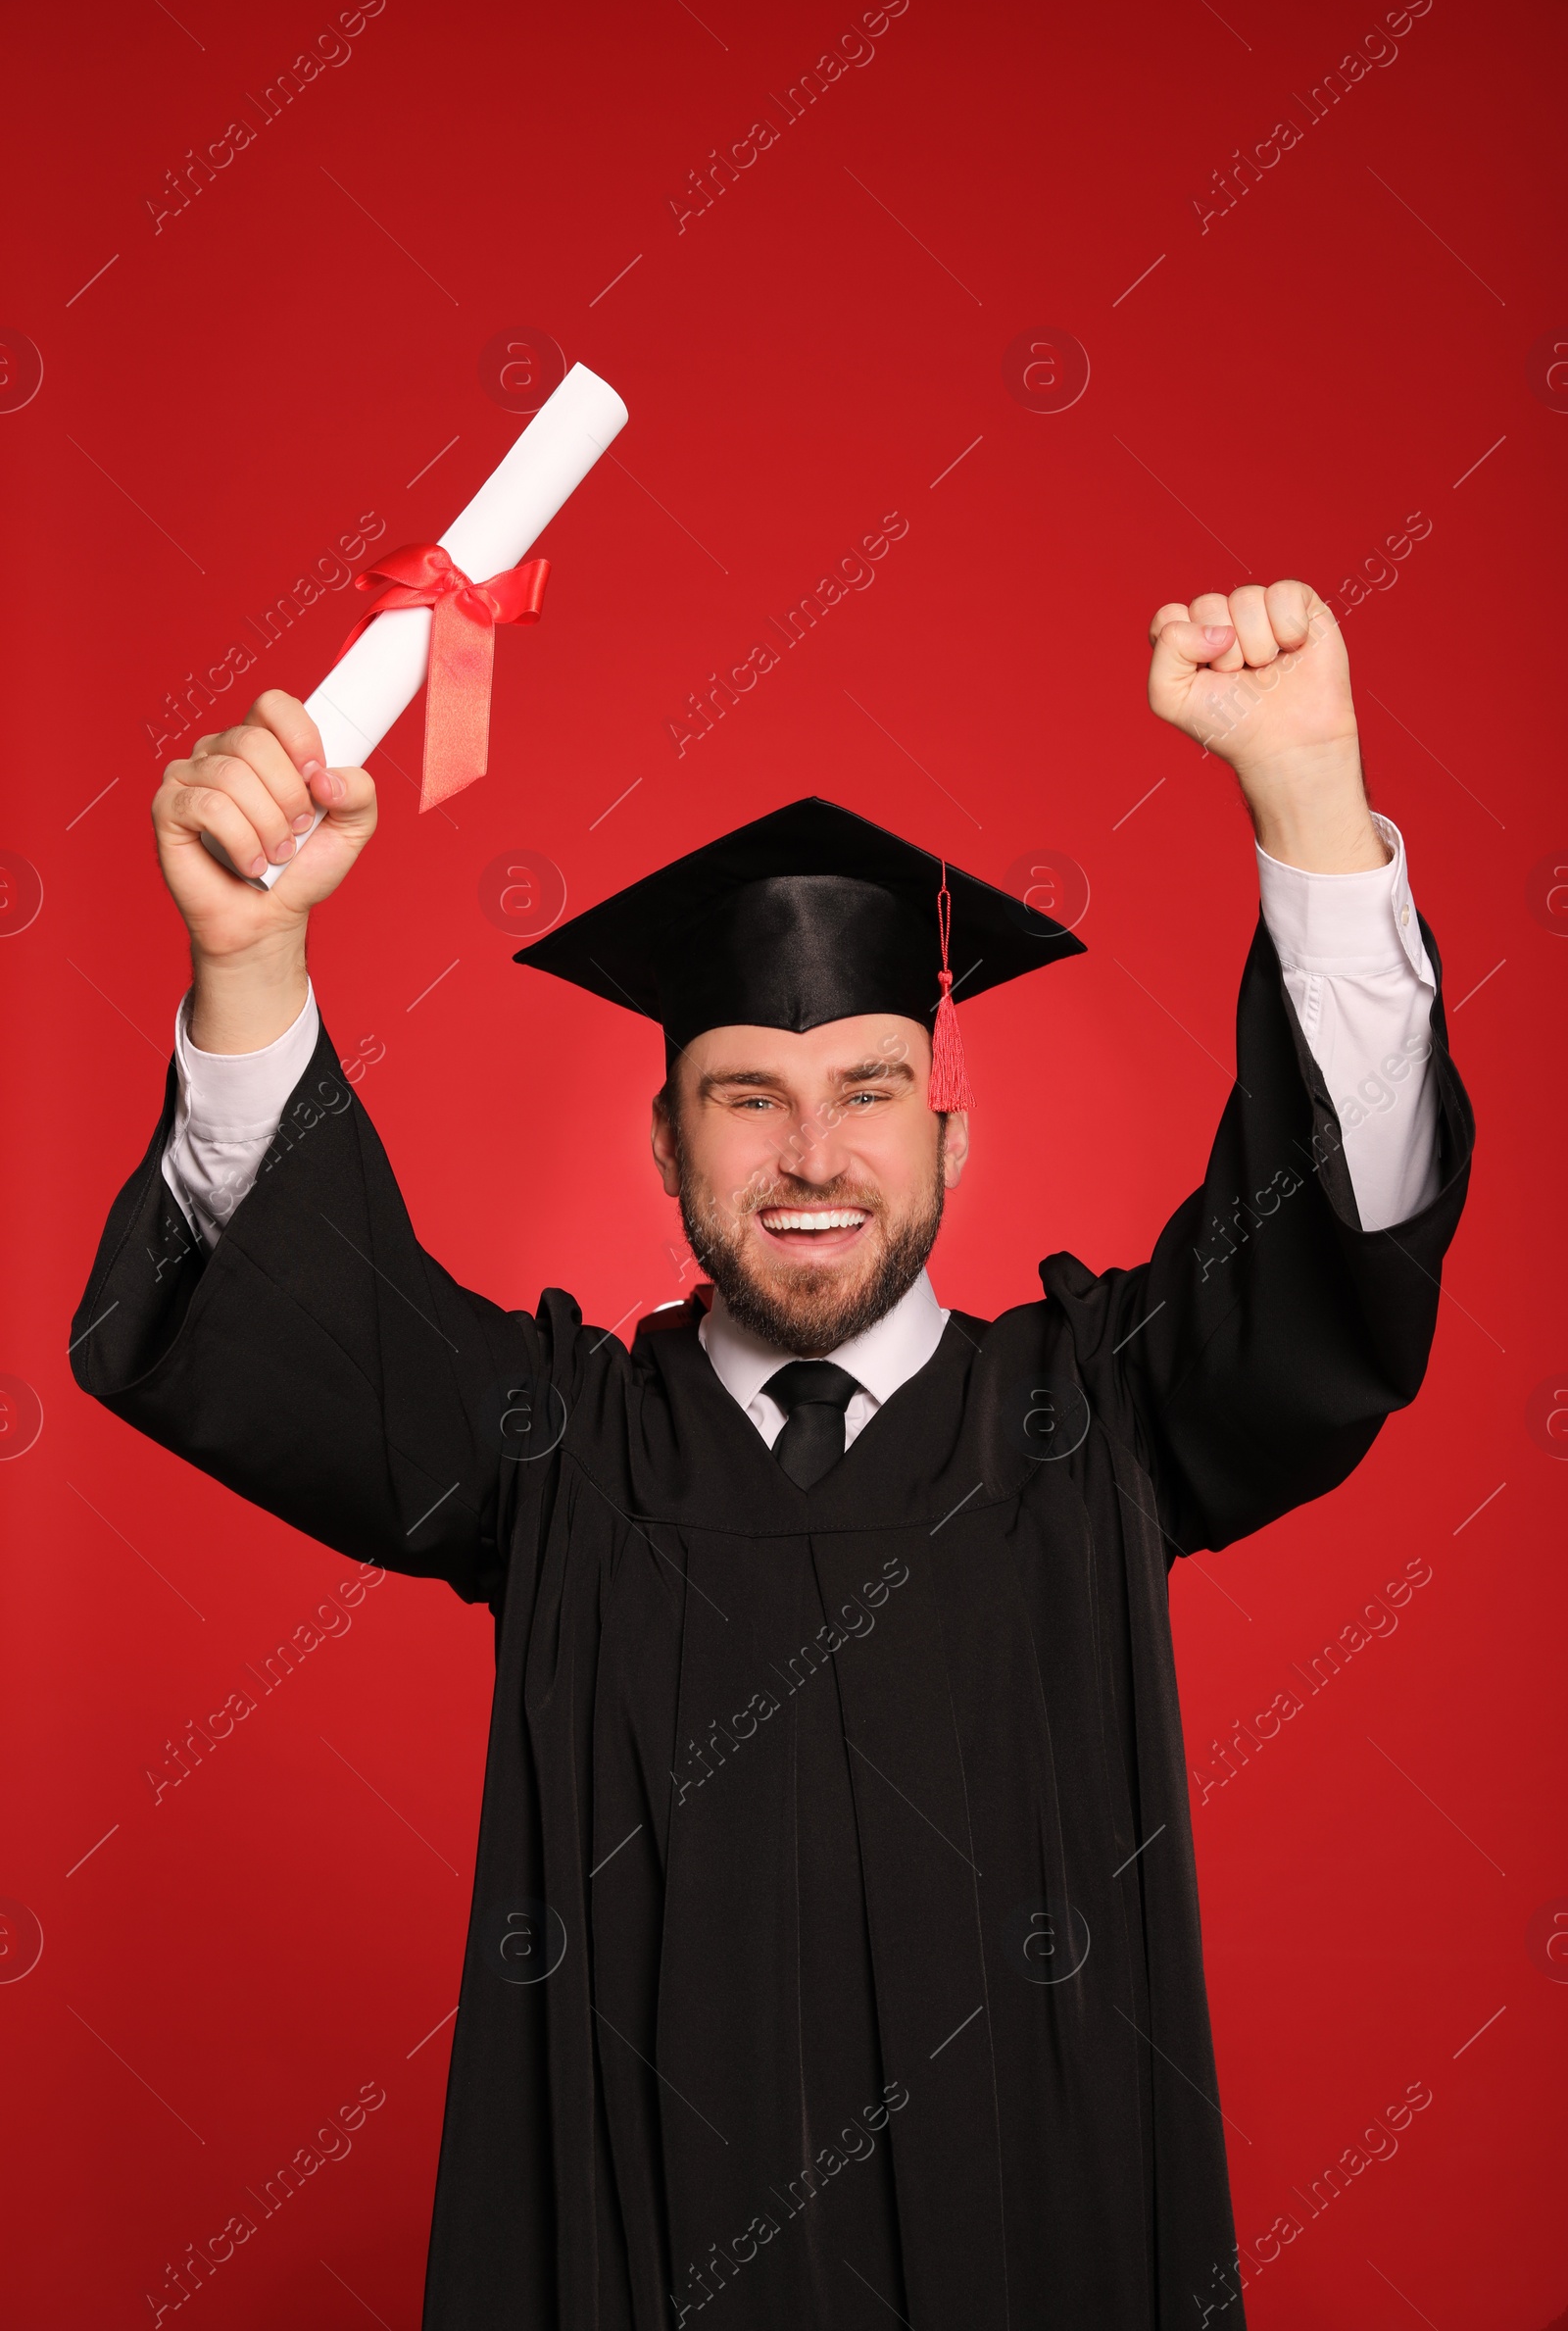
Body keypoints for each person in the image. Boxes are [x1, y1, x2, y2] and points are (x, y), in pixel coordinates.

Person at [73, 579, 1472, 2329]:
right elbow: (301, 1326)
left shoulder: (1098, 1423)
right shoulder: (553, 1451)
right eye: (748, 1096)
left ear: (952, 1129)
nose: (816, 1154)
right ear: (664, 1146)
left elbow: (1332, 1250)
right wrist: (249, 959)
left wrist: (1312, 805)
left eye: (874, 1089)